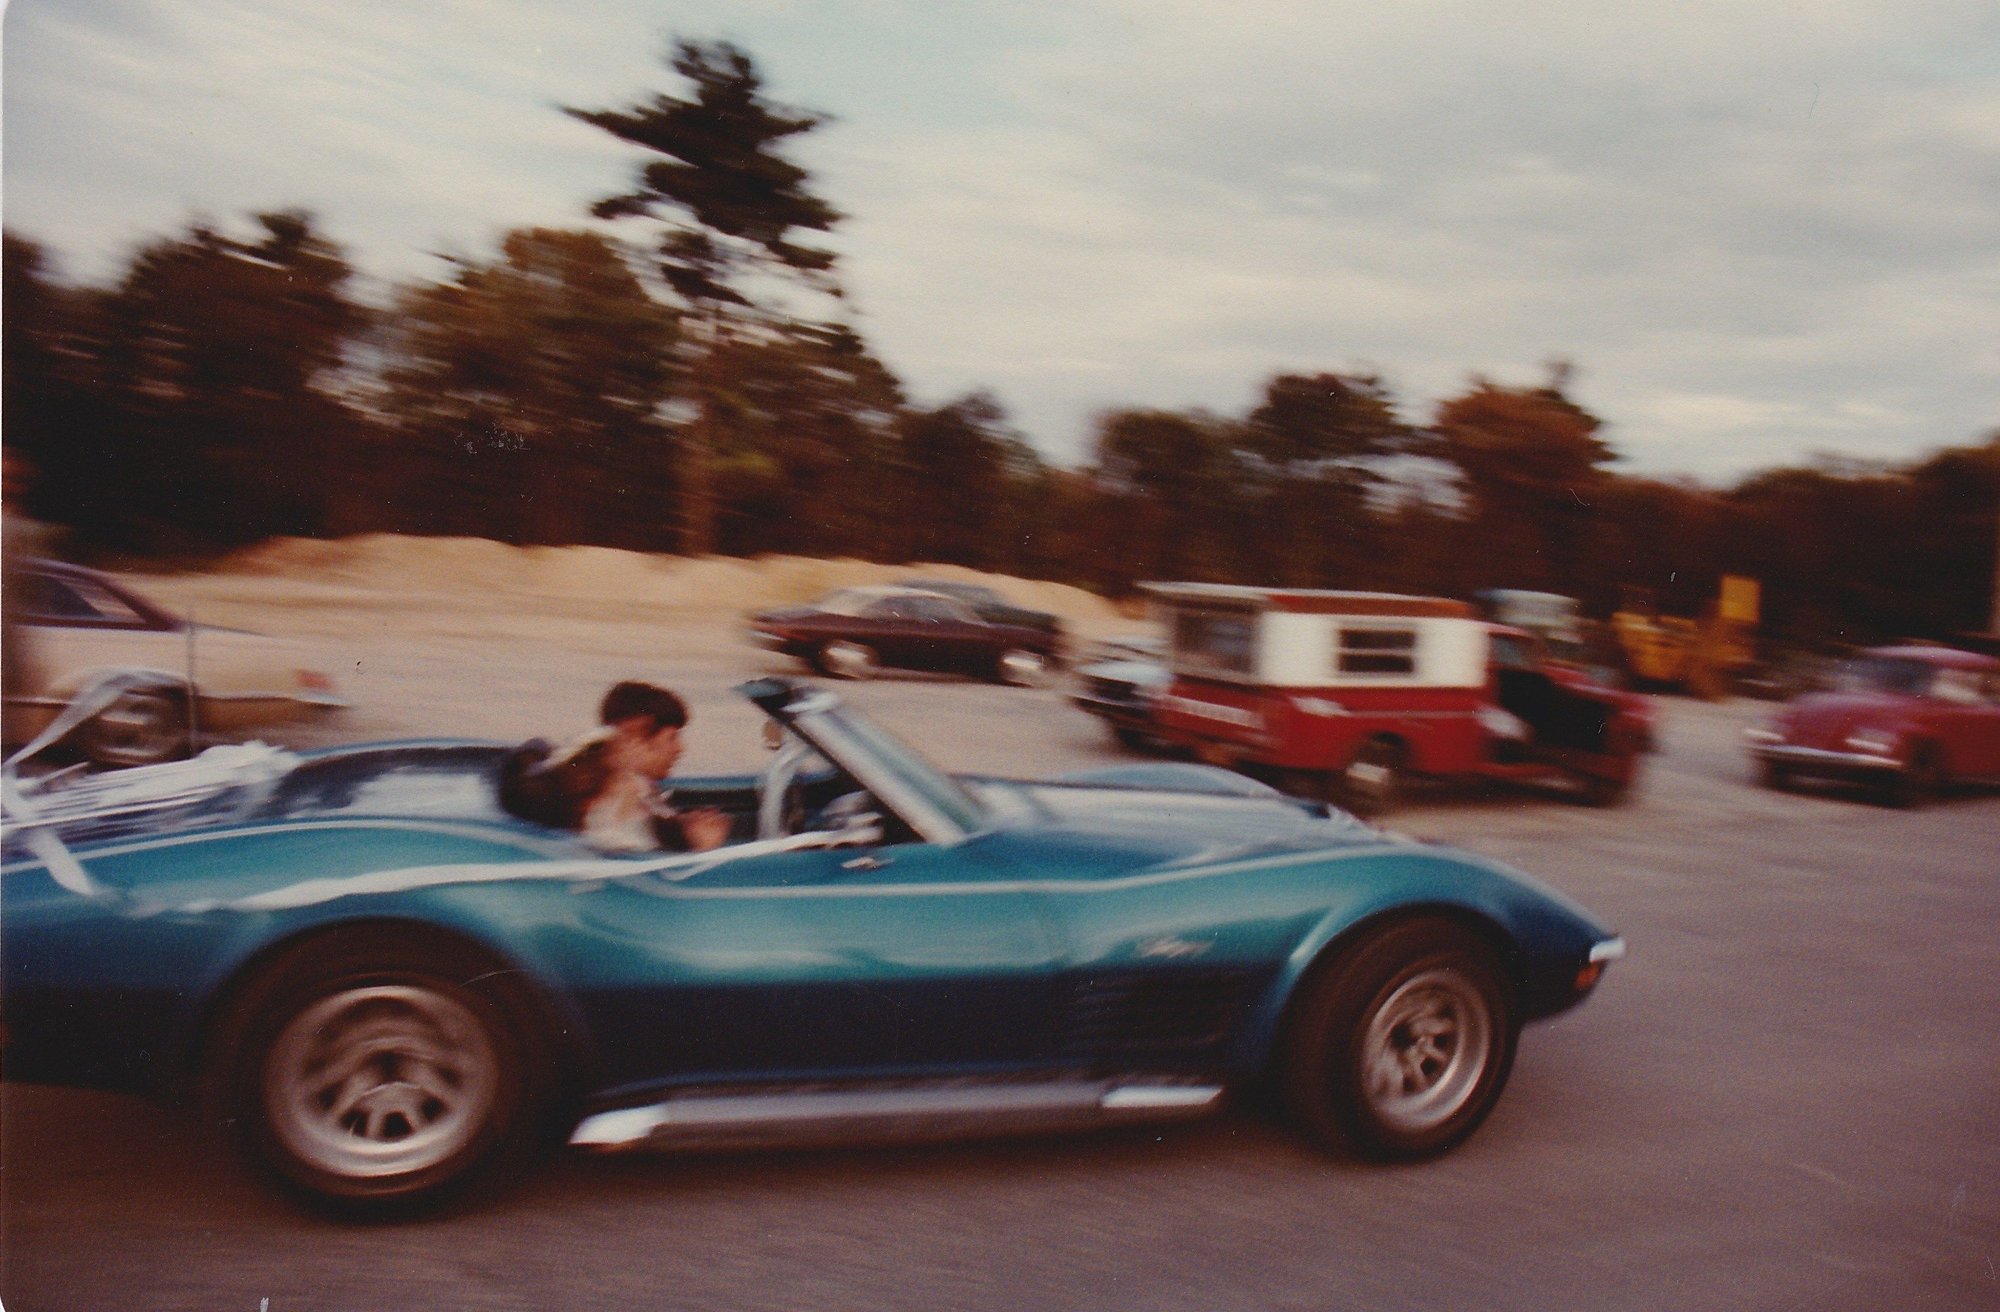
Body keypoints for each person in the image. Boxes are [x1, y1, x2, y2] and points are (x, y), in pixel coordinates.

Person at [527, 682, 731, 853]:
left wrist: (684, 829)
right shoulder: (610, 794)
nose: (680, 748)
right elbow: (612, 850)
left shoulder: (638, 791)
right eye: (672, 737)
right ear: (635, 737)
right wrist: (701, 848)